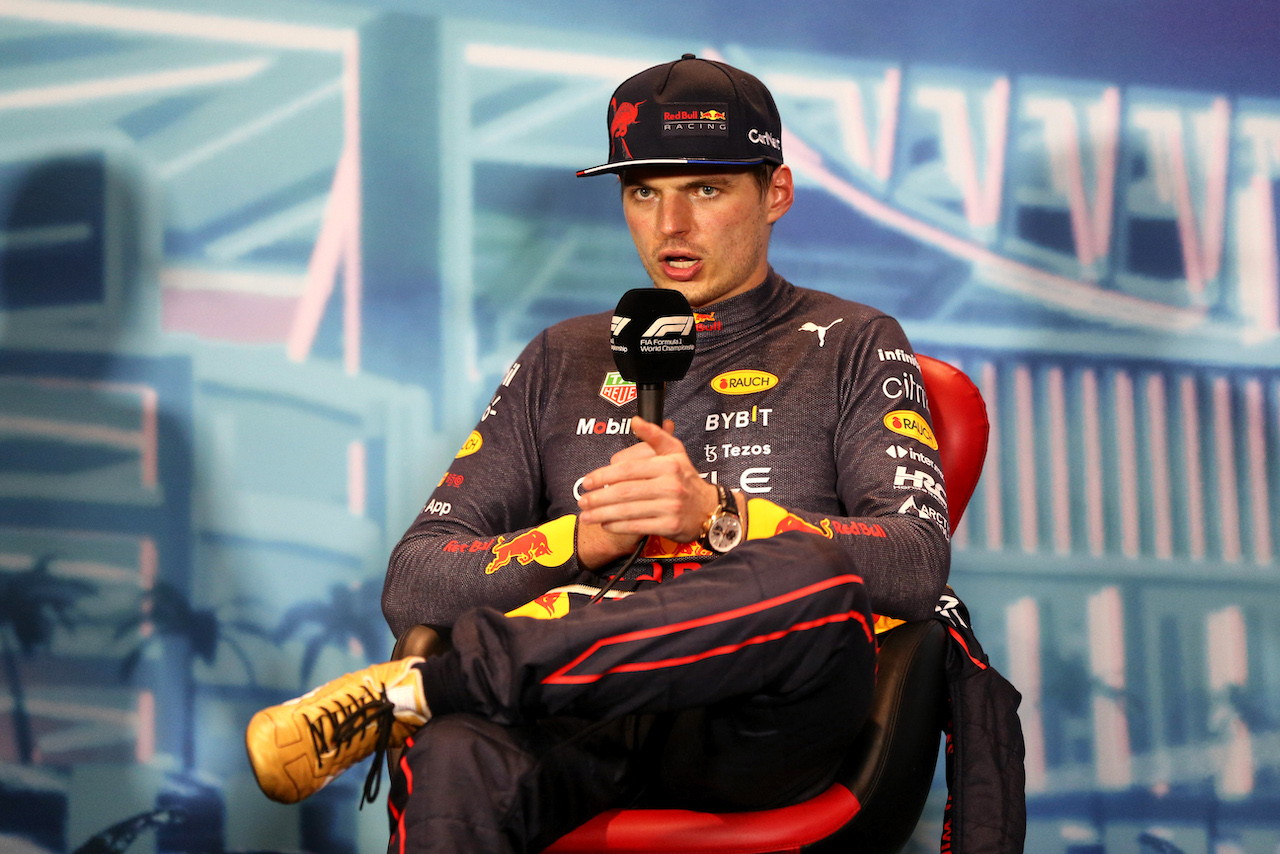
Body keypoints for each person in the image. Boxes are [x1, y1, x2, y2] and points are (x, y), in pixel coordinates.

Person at [245, 54, 951, 853]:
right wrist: (578, 539)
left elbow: (915, 564)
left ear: (775, 193)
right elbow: (415, 582)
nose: (669, 227)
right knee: (454, 750)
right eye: (643, 192)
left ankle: (428, 690)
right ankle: (426, 702)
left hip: (754, 727)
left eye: (706, 191)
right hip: (580, 712)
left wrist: (716, 515)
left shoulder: (855, 342)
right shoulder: (562, 355)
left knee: (817, 575)